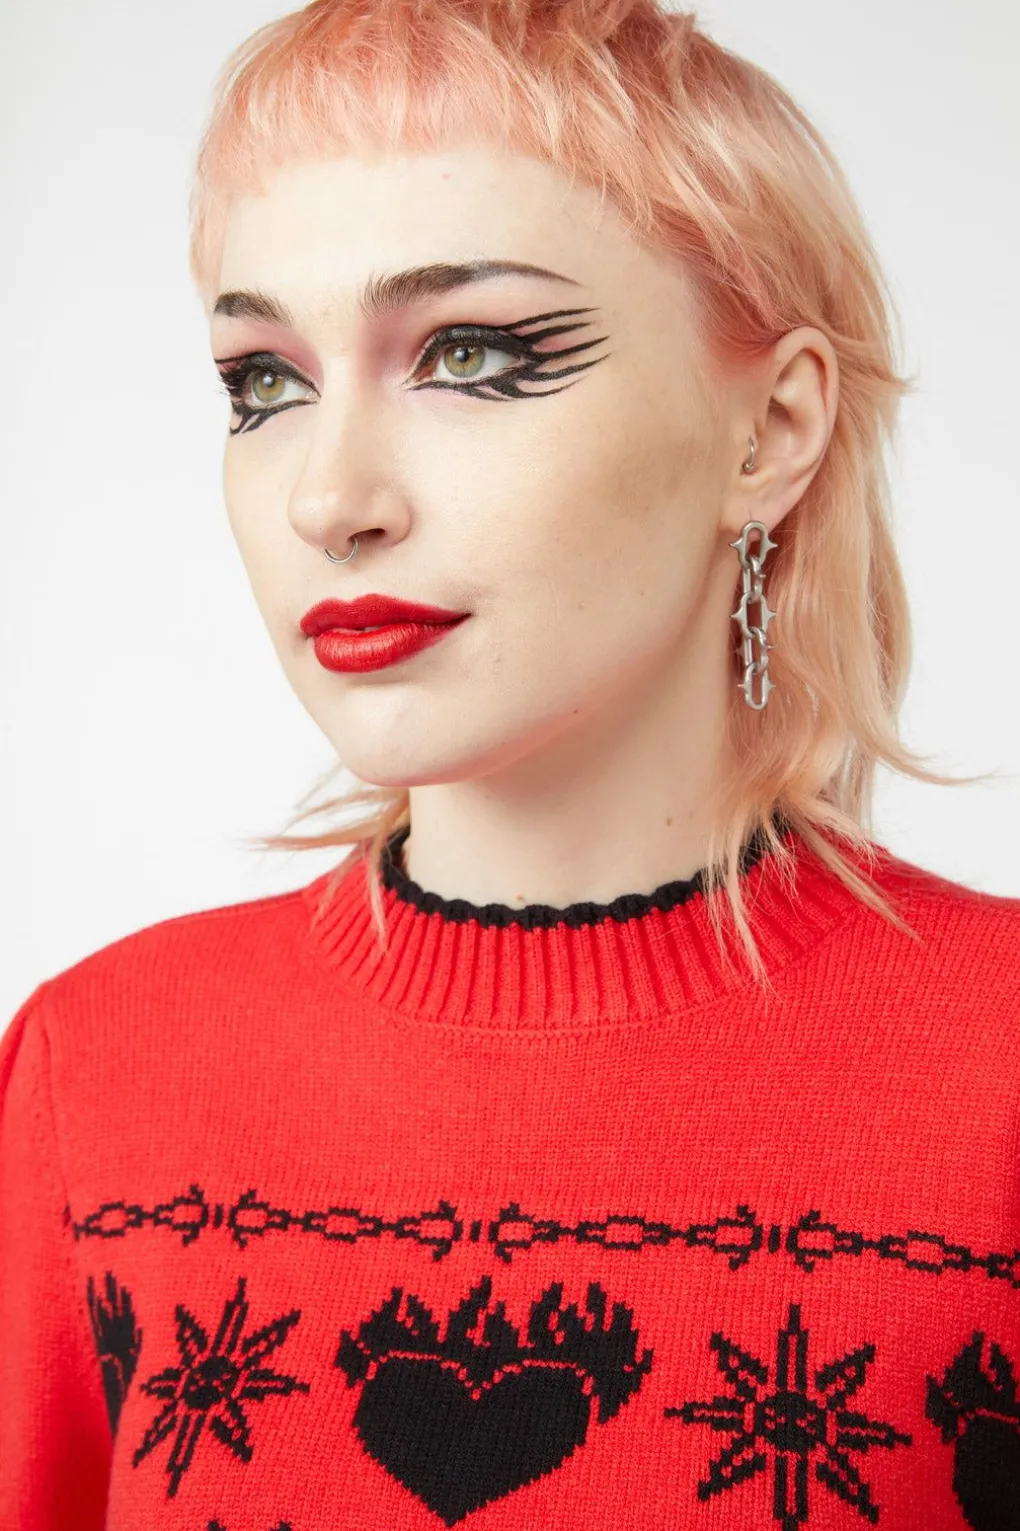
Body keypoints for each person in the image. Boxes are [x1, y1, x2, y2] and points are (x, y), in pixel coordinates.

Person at [2, 1, 1017, 1527]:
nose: (330, 497)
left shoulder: (998, 1076)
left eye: (468, 353)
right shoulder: (93, 1070)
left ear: (771, 428)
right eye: (264, 380)